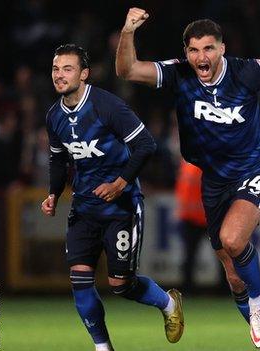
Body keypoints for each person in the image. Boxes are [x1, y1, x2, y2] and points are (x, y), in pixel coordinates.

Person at [116, 8, 260, 351]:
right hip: (213, 180)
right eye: (195, 50)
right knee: (232, 274)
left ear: (222, 49)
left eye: (209, 48)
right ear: (186, 53)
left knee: (233, 238)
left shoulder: (247, 72)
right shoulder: (179, 74)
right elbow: (127, 70)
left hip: (255, 168)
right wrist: (127, 32)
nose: (202, 56)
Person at [40, 44, 184, 351]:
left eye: (67, 69)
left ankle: (168, 303)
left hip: (122, 206)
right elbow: (58, 160)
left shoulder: (107, 106)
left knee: (121, 285)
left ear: (84, 73)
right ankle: (103, 347)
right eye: (56, 69)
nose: (60, 75)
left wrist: (120, 183)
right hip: (84, 208)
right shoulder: (54, 116)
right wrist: (53, 193)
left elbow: (146, 144)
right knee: (80, 280)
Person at [174, 160, 208, 292]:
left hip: (206, 217)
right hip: (192, 218)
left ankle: (225, 288)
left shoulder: (188, 164)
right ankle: (188, 287)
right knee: (189, 256)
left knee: (222, 255)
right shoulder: (187, 163)